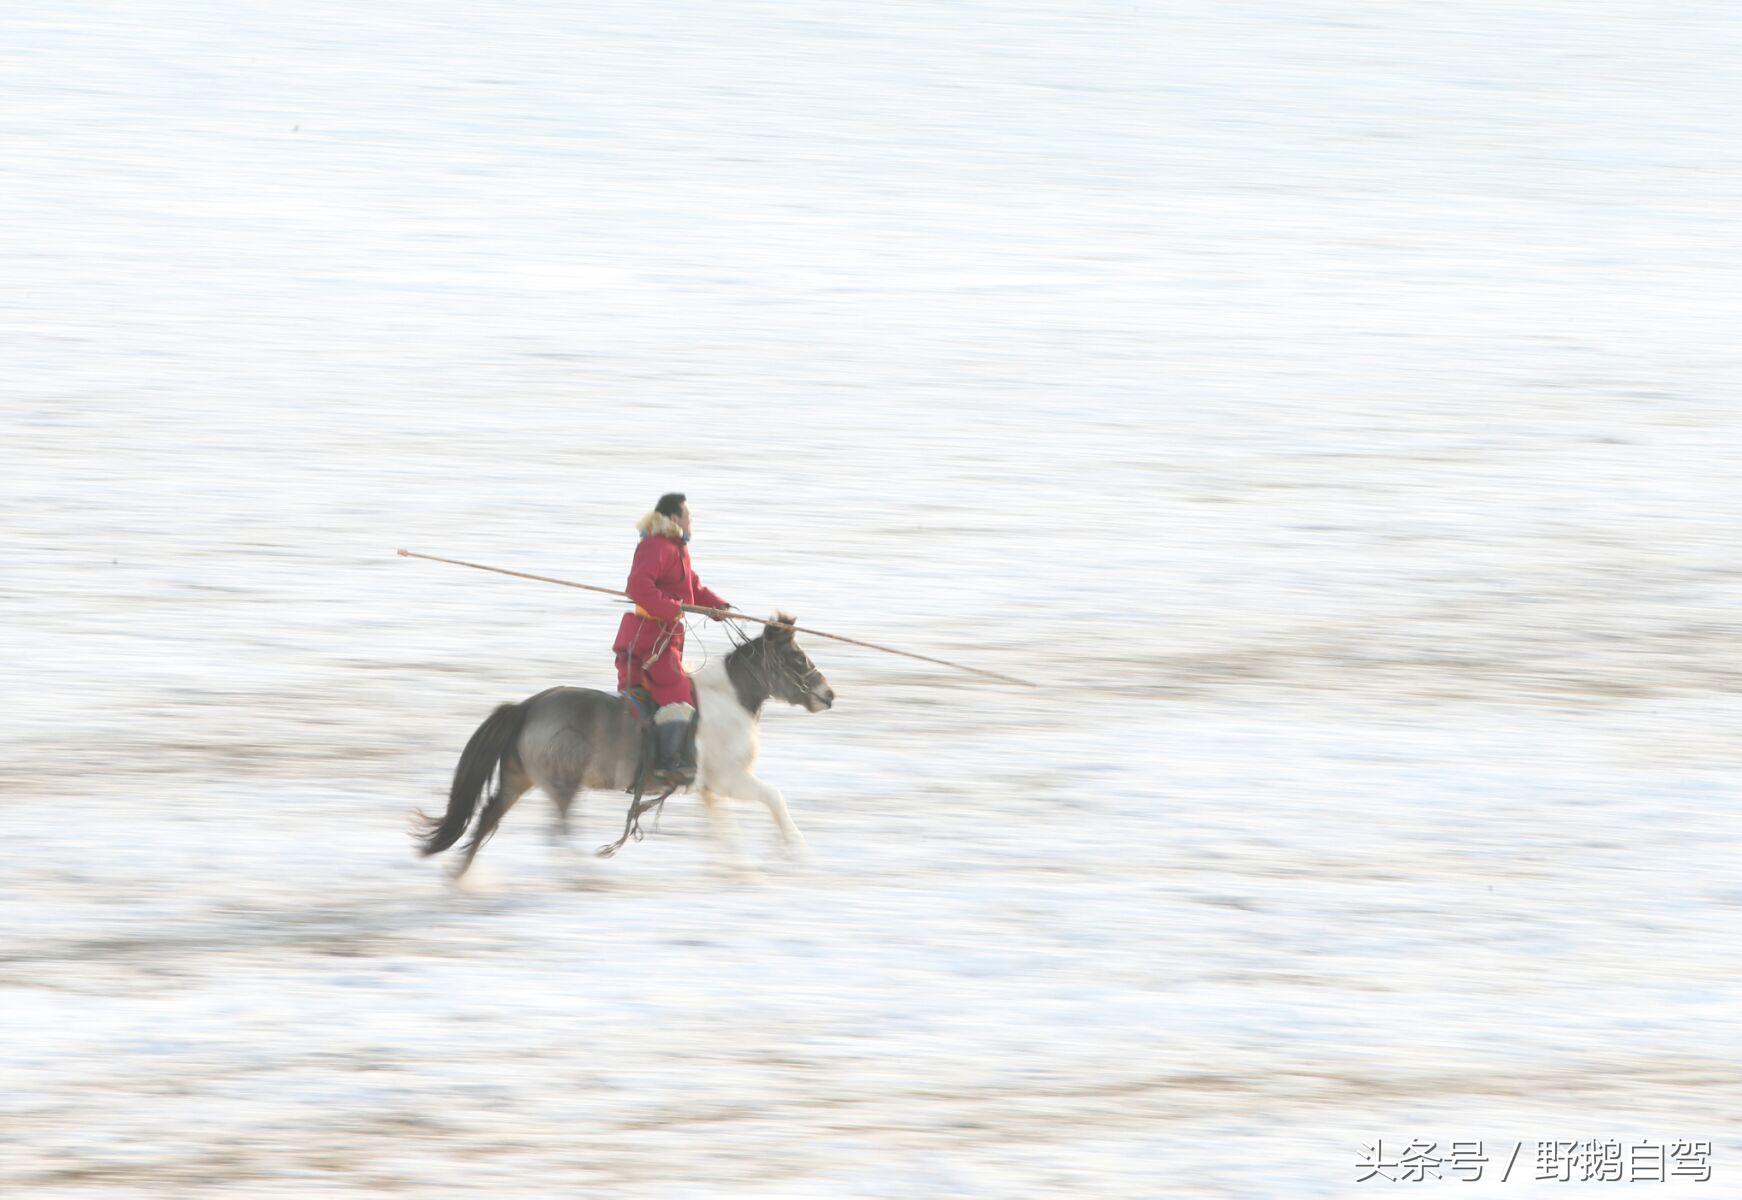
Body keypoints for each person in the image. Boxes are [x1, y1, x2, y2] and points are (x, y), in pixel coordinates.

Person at [613, 492, 729, 785]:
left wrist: (718, 607)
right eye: (689, 516)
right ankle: (668, 765)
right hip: (650, 639)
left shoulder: (675, 549)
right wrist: (670, 608)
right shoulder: (656, 546)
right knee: (679, 695)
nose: (692, 521)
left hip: (664, 638)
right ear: (675, 519)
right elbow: (638, 586)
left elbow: (692, 586)